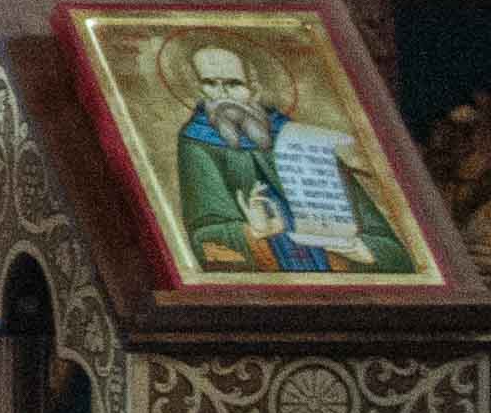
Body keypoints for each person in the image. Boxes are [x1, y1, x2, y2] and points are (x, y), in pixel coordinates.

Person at [167, 38, 419, 278]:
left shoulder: (299, 139)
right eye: (210, 83)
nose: (221, 94)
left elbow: (387, 245)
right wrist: (252, 232)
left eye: (233, 84)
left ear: (254, 89)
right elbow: (204, 236)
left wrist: (364, 251)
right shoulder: (197, 142)